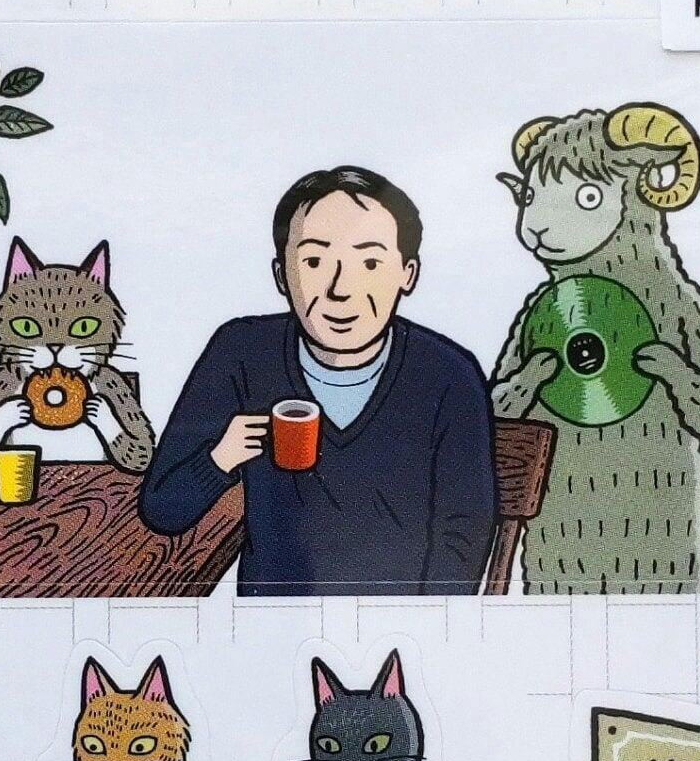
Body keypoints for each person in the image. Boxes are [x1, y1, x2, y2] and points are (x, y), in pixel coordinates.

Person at [139, 166, 497, 596]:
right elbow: (162, 509)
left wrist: (416, 625)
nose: (339, 289)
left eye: (370, 262)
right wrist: (220, 457)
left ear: (407, 273)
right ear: (281, 275)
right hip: (274, 621)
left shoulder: (447, 374)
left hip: (397, 622)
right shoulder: (242, 352)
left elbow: (463, 534)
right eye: (314, 261)